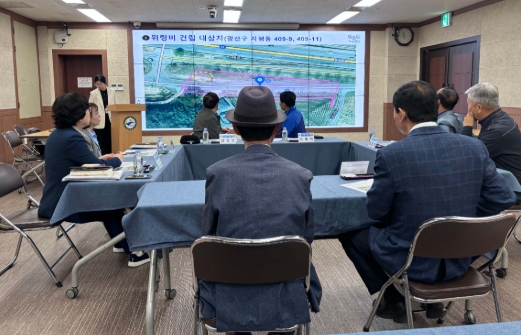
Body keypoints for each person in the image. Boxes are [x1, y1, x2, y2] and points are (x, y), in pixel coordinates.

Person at [339, 81, 516, 323]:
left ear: (401, 113)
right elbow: (503, 198)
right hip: (461, 256)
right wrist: (465, 219)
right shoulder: (474, 147)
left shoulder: (392, 155)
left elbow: (376, 212)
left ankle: (394, 298)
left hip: (411, 260)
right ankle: (423, 300)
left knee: (350, 232)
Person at [200, 86, 322, 334]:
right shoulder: (301, 175)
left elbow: (208, 234)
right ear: (277, 129)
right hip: (286, 290)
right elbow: (306, 237)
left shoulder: (217, 173)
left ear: (235, 129)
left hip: (228, 289)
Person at [38, 93, 149, 268]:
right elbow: (98, 167)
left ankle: (123, 244)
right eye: (87, 110)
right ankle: (135, 251)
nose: (89, 113)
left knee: (112, 205)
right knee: (113, 204)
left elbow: (83, 162)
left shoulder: (60, 134)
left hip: (59, 197)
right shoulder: (72, 137)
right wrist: (118, 159)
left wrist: (100, 159)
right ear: (79, 114)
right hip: (64, 203)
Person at [461, 82, 521, 203]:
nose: (468, 109)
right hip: (506, 181)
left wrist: (467, 127)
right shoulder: (502, 118)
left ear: (479, 107)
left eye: (468, 104)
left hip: (511, 190)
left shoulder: (497, 130)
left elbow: (467, 158)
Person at [89, 74, 115, 155]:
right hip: (99, 119)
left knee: (110, 139)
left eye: (100, 84)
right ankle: (103, 156)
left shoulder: (112, 91)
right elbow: (90, 106)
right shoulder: (93, 93)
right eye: (96, 84)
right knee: (101, 140)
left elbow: (116, 104)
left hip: (110, 118)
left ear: (105, 83)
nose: (98, 86)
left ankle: (111, 155)